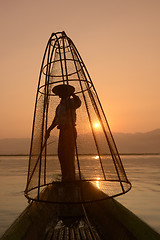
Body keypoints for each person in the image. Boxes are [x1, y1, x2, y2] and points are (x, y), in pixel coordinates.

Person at [46, 84, 81, 181]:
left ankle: (71, 176)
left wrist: (72, 94)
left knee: (69, 153)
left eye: (61, 92)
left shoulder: (70, 102)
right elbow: (56, 120)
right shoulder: (59, 106)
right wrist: (48, 130)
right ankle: (65, 176)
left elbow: (78, 103)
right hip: (62, 131)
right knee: (61, 154)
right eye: (59, 92)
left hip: (70, 130)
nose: (59, 94)